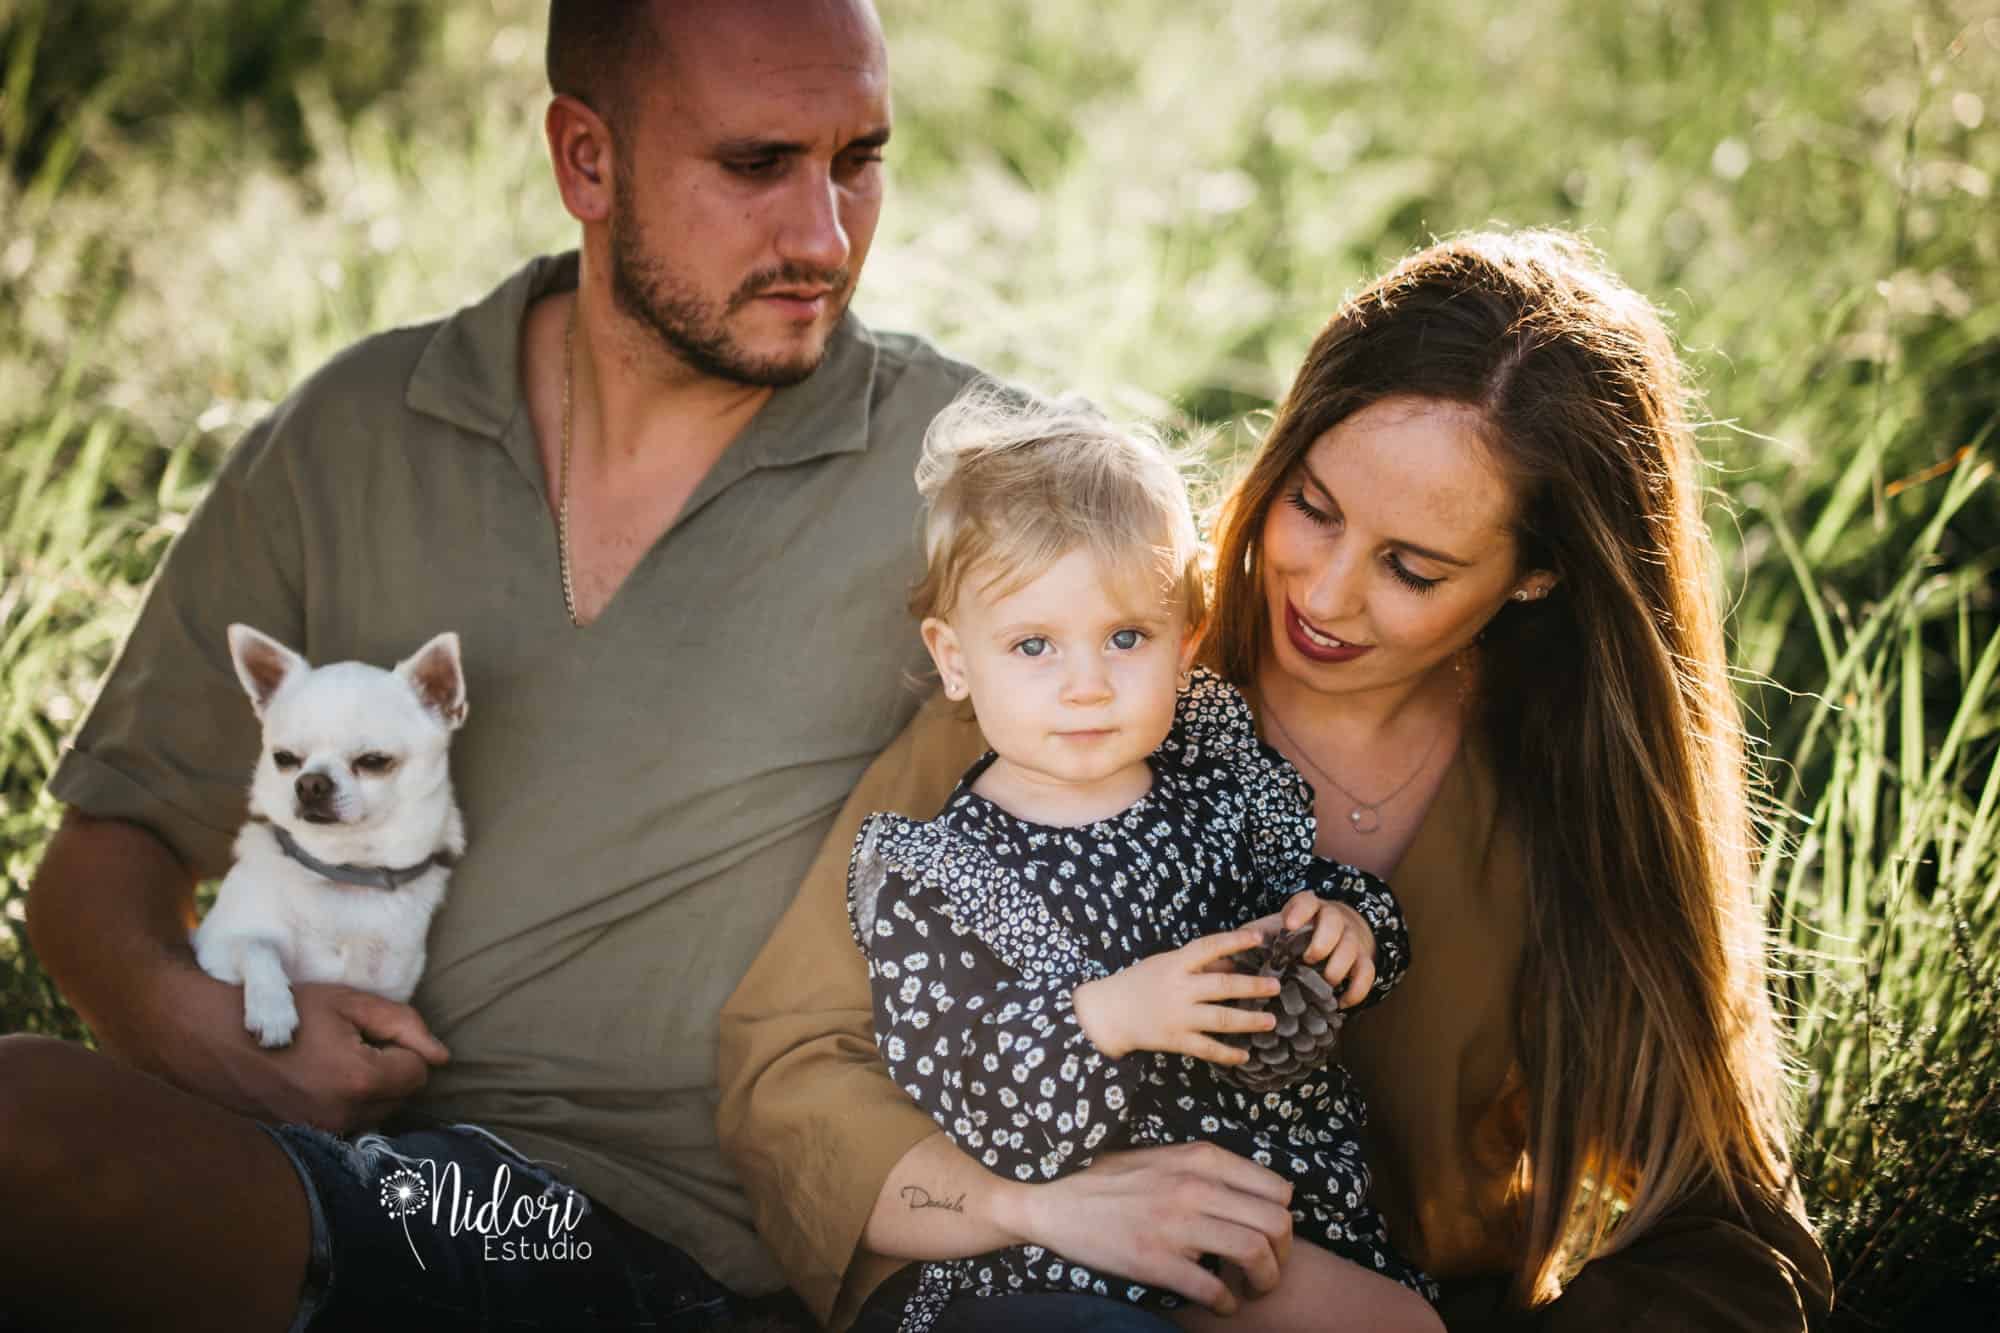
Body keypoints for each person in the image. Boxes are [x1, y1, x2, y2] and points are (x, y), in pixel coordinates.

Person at [3, 2, 981, 1329]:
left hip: (653, 1247)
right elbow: (102, 858)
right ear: (587, 159)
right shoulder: (356, 433)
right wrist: (207, 1032)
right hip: (331, 1178)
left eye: (857, 159)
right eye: (757, 166)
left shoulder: (975, 477)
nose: (823, 234)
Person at [718, 229, 1836, 1332]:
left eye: (1411, 567)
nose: (1325, 592)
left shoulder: (1564, 795)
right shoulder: (1073, 677)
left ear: (1538, 574)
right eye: (1310, 505)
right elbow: (795, 1070)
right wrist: (1039, 1209)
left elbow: (1729, 1231)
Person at [843, 390, 1439, 1332]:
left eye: (1126, 637)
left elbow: (1307, 889)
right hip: (1071, 1243)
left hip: (1266, 1199)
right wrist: (1113, 1014)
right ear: (955, 660)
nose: (1086, 684)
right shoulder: (942, 877)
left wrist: (1348, 924)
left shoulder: (1215, 790)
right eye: (1033, 645)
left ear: (1185, 640)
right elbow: (969, 1092)